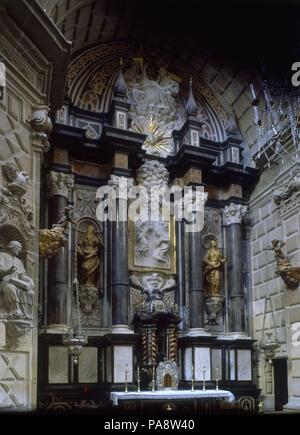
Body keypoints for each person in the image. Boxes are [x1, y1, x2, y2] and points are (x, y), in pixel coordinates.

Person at [0, 241, 34, 318]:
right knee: (10, 288)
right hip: (4, 282)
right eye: (18, 247)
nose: (20, 250)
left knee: (30, 292)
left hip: (17, 284)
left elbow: (22, 276)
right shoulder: (2, 256)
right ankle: (14, 311)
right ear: (11, 247)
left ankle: (26, 314)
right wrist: (8, 271)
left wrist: (29, 280)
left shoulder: (18, 261)